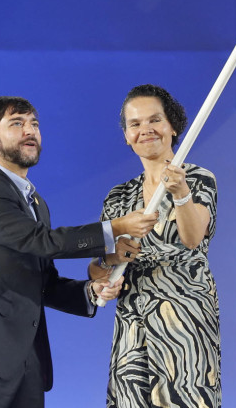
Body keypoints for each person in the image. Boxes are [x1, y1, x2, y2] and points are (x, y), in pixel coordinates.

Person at [0, 96, 158, 408]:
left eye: (34, 124)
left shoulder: (36, 203)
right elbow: (42, 241)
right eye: (16, 124)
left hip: (28, 358)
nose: (29, 130)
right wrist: (115, 228)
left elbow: (43, 282)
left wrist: (90, 290)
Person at [89, 84, 221, 408]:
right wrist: (106, 273)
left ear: (172, 126)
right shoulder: (118, 196)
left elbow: (193, 238)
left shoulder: (198, 178)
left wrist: (181, 193)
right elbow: (97, 265)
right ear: (126, 136)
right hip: (133, 323)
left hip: (184, 322)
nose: (145, 129)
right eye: (135, 124)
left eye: (155, 120)